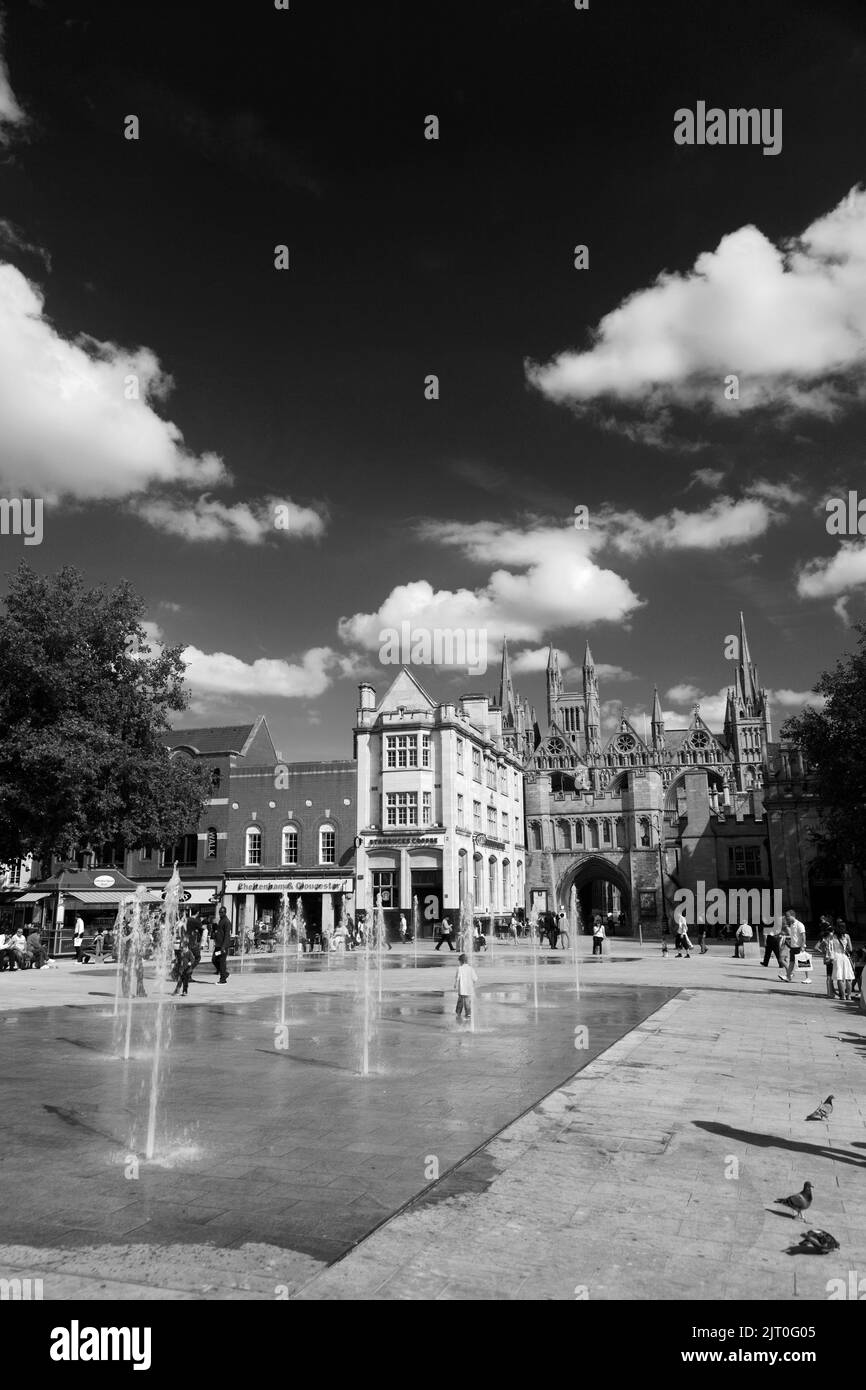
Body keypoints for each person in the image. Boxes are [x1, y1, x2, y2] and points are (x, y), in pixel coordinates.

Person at [780, 908, 807, 982]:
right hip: (793, 947)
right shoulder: (792, 925)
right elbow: (793, 936)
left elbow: (803, 936)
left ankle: (807, 978)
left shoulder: (799, 924)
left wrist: (802, 946)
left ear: (792, 916)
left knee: (803, 963)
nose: (787, 918)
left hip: (799, 947)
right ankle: (788, 977)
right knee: (791, 963)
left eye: (788, 916)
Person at [832, 923, 855, 1001]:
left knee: (840, 977)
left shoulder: (833, 936)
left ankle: (843, 996)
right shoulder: (847, 936)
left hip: (837, 957)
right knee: (848, 978)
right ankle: (849, 996)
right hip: (845, 957)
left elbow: (830, 947)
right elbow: (851, 949)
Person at [454, 952, 477, 1023]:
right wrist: (472, 984)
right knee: (467, 1003)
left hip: (462, 989)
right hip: (468, 989)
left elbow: (457, 978)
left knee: (460, 1002)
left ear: (461, 961)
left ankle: (458, 1013)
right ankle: (468, 1015)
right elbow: (475, 979)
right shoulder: (471, 968)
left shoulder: (460, 968)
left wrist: (455, 984)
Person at [212, 907, 231, 984]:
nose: (220, 914)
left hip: (223, 947)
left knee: (222, 962)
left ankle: (223, 980)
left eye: (222, 912)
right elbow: (218, 933)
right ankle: (225, 973)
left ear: (225, 912)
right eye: (219, 912)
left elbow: (227, 935)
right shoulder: (220, 921)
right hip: (218, 946)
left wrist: (224, 946)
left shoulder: (226, 921)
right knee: (214, 959)